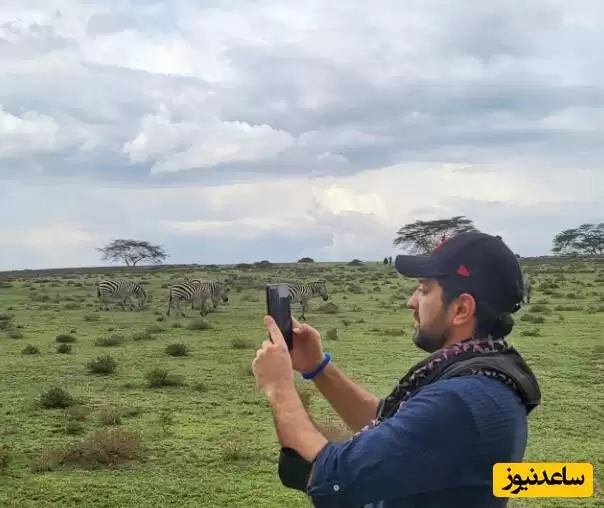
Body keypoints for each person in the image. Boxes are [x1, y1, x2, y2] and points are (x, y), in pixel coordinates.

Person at [252, 232, 542, 507]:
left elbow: (336, 477)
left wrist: (279, 388)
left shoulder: (462, 399)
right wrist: (318, 367)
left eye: (424, 290)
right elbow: (387, 424)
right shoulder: (481, 373)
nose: (411, 302)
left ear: (461, 309)